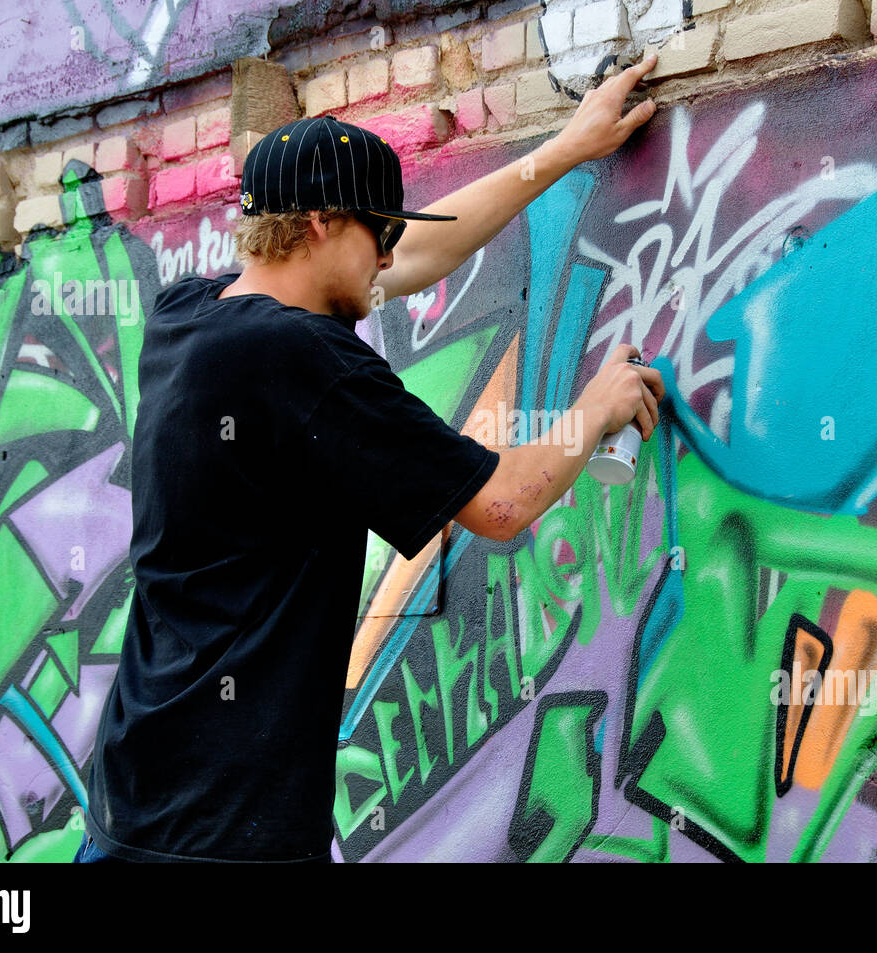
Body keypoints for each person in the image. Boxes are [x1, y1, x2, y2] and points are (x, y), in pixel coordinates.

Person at [76, 54, 666, 863]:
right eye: (379, 231)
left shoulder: (189, 315)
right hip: (229, 833)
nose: (391, 256)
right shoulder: (308, 360)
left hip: (131, 803)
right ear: (319, 221)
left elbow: (417, 263)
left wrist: (563, 149)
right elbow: (500, 505)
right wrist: (594, 408)